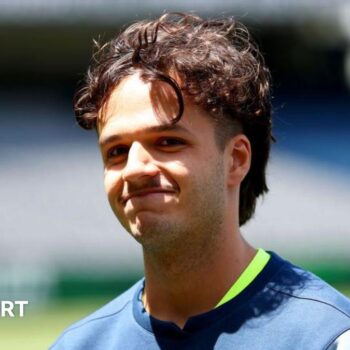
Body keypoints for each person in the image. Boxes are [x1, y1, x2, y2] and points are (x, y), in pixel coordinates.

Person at [51, 12, 350, 349]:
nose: (134, 168)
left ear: (236, 159)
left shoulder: (326, 337)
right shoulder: (79, 345)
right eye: (116, 151)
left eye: (167, 142)